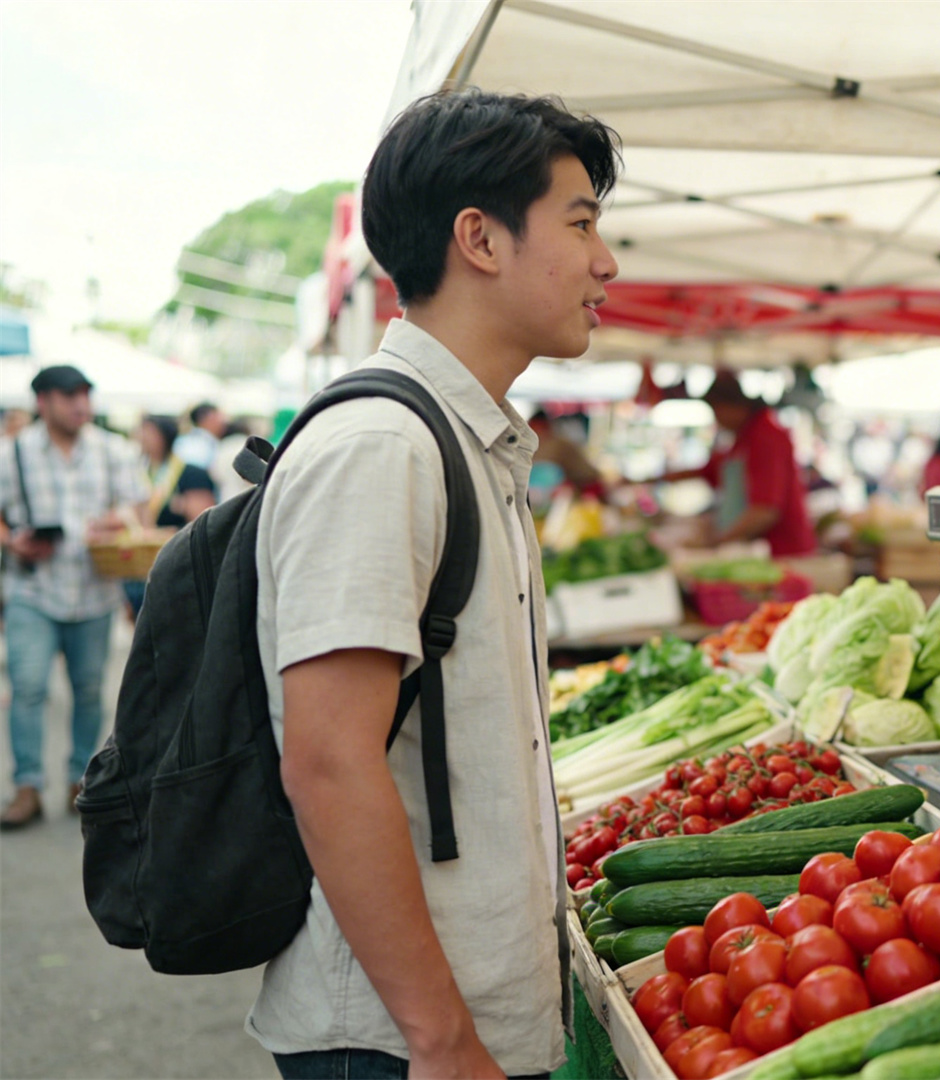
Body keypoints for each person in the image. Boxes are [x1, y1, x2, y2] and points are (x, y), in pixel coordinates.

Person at [246, 89, 619, 1079]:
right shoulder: (382, 446)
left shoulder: (462, 440)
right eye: (580, 223)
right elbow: (328, 763)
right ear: (479, 239)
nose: (606, 261)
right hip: (399, 1042)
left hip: (453, 1019)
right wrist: (441, 1037)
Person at [0, 364, 147, 828]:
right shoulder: (12, 453)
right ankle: (27, 787)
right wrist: (12, 541)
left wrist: (118, 518)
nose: (81, 404)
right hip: (33, 588)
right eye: (69, 396)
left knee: (88, 691)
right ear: (43, 402)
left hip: (93, 592)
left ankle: (81, 780)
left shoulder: (111, 450)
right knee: (27, 688)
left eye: (86, 394)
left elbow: (138, 505)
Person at [654, 371, 816, 556]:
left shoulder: (766, 436)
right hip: (754, 549)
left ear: (731, 406)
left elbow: (765, 511)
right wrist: (659, 478)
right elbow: (711, 470)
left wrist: (718, 542)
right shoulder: (743, 438)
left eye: (716, 411)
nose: (717, 420)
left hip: (782, 551)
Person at [126, 414, 218, 618]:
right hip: (140, 565)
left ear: (165, 436)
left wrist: (182, 506)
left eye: (148, 432)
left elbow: (205, 518)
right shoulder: (136, 471)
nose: (142, 437)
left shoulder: (191, 473)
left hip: (177, 561)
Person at [528, 409, 606, 497]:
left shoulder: (556, 444)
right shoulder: (555, 441)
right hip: (583, 484)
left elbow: (542, 462)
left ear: (540, 425)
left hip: (588, 484)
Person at [173, 401, 225, 469]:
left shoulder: (204, 440)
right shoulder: (196, 445)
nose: (223, 422)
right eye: (219, 417)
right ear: (210, 418)